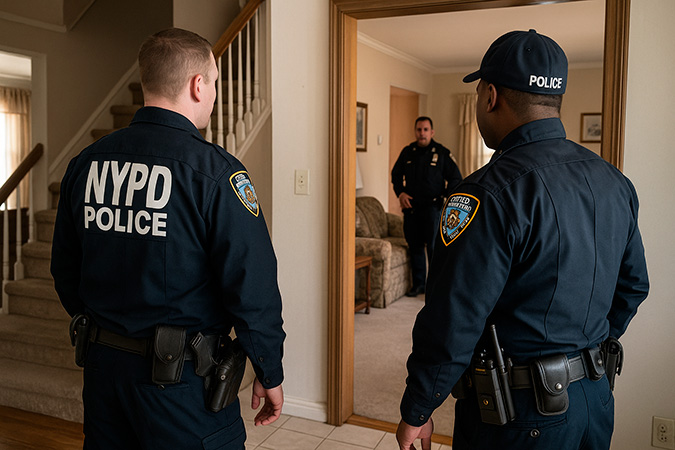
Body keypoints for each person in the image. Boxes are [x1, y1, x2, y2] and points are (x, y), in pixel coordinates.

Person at [396, 29, 649, 450]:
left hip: (521, 416)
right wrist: (585, 350)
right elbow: (634, 285)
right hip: (595, 400)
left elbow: (453, 318)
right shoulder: (614, 181)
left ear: (491, 96)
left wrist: (418, 407)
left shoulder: (487, 193)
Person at [51, 28, 285, 449]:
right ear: (198, 85)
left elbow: (65, 270)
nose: (214, 94)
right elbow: (252, 286)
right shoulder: (216, 174)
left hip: (104, 375)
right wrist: (269, 369)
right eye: (214, 83)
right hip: (182, 389)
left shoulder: (85, 164)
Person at [391, 116, 462, 297]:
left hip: (433, 209)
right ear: (415, 131)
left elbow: (456, 178)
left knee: (433, 249)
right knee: (415, 247)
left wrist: (446, 197)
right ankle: (419, 285)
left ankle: (435, 289)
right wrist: (400, 193)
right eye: (419, 129)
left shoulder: (441, 153)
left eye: (425, 130)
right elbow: (396, 175)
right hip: (412, 208)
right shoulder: (408, 152)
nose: (422, 133)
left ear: (432, 132)